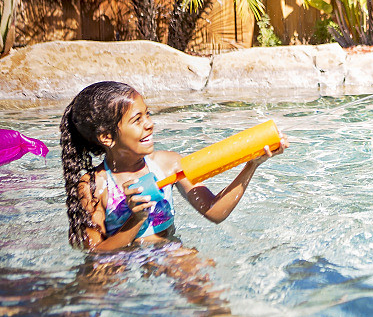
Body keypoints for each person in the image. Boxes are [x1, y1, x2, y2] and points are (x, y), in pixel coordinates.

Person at [61, 80, 287, 250]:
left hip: (166, 252)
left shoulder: (168, 164)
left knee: (202, 285)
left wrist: (251, 165)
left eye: (147, 114)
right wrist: (136, 220)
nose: (149, 124)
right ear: (107, 137)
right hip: (117, 262)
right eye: (137, 120)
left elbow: (214, 212)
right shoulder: (94, 186)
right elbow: (96, 253)